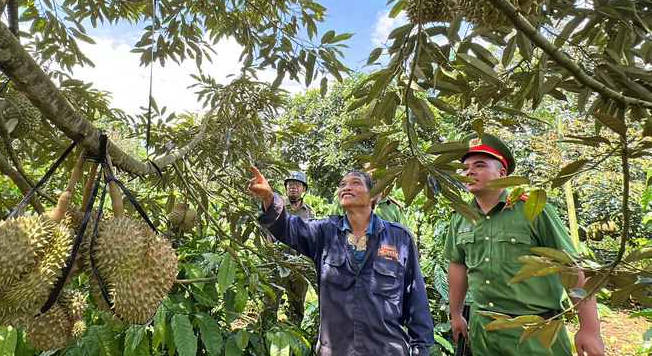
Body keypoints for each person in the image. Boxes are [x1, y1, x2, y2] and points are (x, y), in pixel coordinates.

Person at [442, 133, 605, 356]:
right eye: (466, 167)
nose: (469, 172)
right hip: (484, 334)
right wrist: (456, 314)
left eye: (479, 165)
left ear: (502, 173)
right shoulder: (461, 217)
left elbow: (571, 265)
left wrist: (589, 328)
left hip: (535, 334)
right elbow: (458, 266)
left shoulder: (534, 209)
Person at [248, 166, 434, 355]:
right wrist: (269, 199)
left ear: (373, 195)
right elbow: (287, 227)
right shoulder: (324, 232)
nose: (346, 187)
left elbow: (416, 298)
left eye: (355, 183)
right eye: (342, 184)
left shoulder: (399, 238)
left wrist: (421, 348)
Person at [264, 171, 315, 325]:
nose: (294, 187)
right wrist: (273, 255)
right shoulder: (277, 207)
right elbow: (268, 234)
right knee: (270, 302)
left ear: (304, 188)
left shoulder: (310, 212)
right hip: (278, 263)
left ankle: (294, 334)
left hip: (300, 266)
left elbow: (313, 237)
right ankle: (264, 333)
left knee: (297, 304)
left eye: (298, 184)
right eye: (290, 184)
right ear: (286, 187)